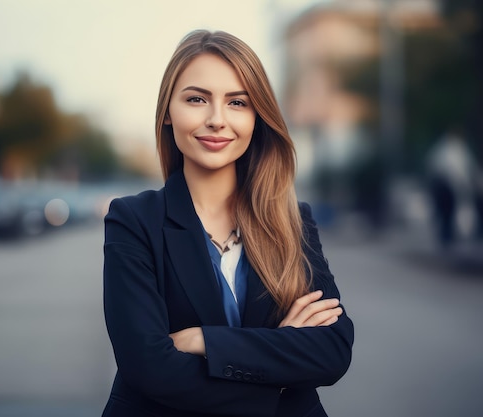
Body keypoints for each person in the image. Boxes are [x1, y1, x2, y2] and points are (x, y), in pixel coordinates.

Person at [101, 29, 354, 417]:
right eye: (197, 99)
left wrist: (204, 341)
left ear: (257, 117)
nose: (217, 120)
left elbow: (333, 350)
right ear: (168, 112)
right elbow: (149, 368)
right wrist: (280, 364)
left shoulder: (292, 220)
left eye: (237, 102)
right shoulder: (133, 220)